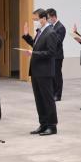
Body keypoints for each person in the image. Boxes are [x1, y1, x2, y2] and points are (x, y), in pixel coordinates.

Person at [21, 8, 60, 136]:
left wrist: (34, 53)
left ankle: (51, 126)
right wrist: (27, 37)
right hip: (37, 71)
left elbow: (51, 52)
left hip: (45, 71)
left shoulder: (50, 32)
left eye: (36, 19)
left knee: (47, 99)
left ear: (44, 18)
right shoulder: (40, 32)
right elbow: (37, 46)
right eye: (34, 20)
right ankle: (43, 124)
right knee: (39, 99)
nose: (35, 22)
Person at [46, 8, 66, 101]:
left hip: (57, 56)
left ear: (54, 17)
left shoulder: (60, 27)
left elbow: (57, 41)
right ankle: (52, 92)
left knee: (57, 75)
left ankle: (58, 95)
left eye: (49, 18)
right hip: (51, 55)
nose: (48, 20)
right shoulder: (50, 26)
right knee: (51, 75)